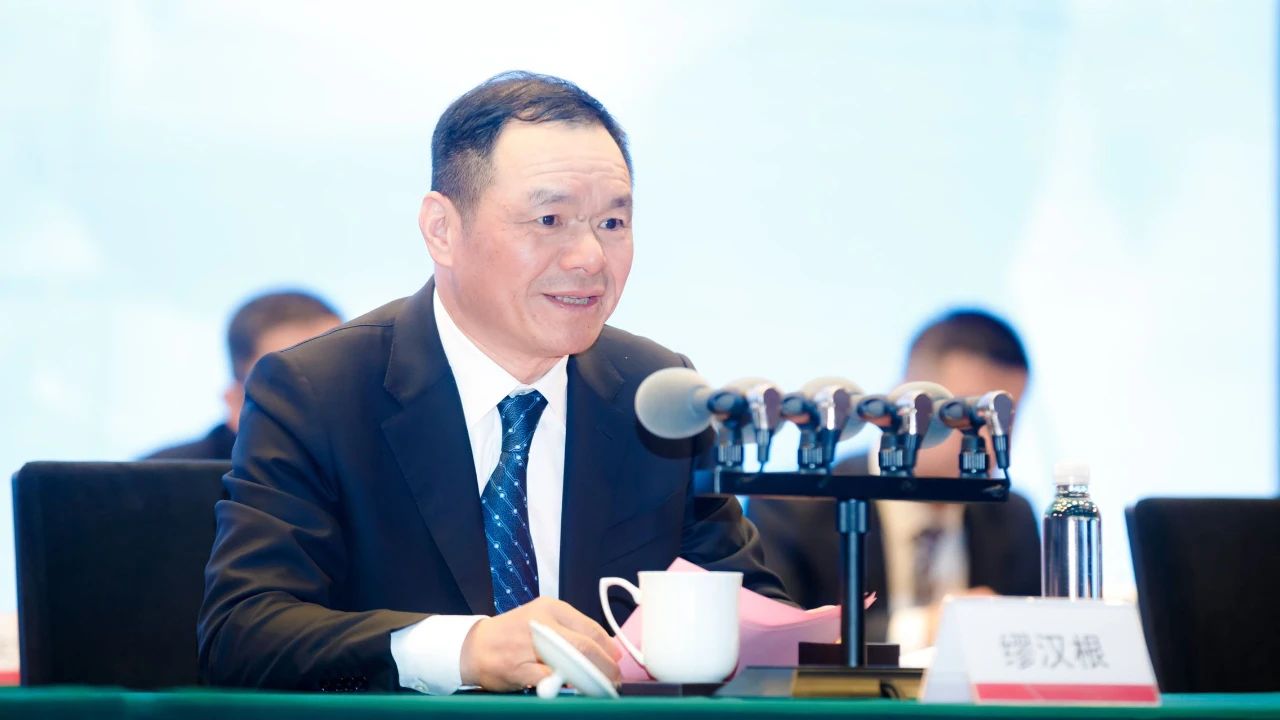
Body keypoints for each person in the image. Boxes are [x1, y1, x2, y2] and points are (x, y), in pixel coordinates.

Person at [197, 71, 786, 694]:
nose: (590, 257)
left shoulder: (655, 392)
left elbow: (755, 616)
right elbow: (243, 634)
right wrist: (462, 649)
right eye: (550, 218)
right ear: (442, 230)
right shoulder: (320, 391)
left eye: (613, 223)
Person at [748, 309, 1040, 650]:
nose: (987, 443)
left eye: (1004, 422)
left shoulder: (1013, 518)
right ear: (905, 402)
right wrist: (922, 629)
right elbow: (777, 643)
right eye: (964, 417)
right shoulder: (792, 507)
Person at [144, 290, 341, 460]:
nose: (322, 396)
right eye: (291, 384)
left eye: (336, 374)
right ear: (236, 401)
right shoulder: (156, 480)